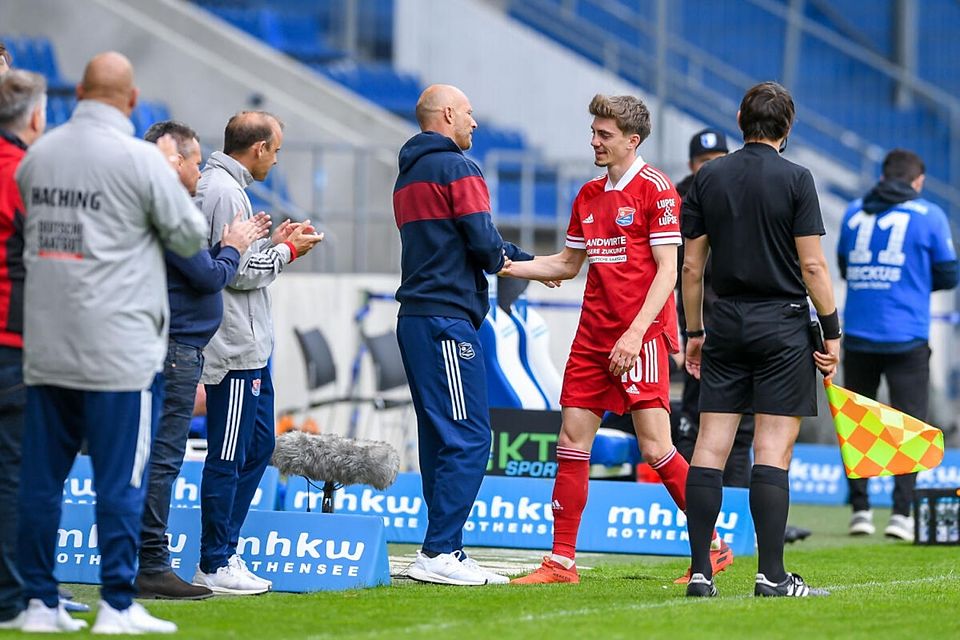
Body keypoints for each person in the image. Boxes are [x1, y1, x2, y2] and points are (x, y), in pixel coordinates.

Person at [504, 94, 732, 585]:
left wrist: (636, 333)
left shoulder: (657, 190)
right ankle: (561, 562)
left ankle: (713, 546)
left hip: (639, 338)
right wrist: (507, 265)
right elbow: (567, 264)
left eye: (604, 134)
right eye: (593, 132)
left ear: (632, 140)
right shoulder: (588, 194)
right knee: (571, 441)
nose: (594, 141)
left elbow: (669, 271)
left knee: (656, 448)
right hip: (593, 337)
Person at [14, 52, 207, 633]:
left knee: (41, 481)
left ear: (77, 92)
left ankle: (38, 601)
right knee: (121, 479)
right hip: (119, 351)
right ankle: (117, 604)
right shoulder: (141, 161)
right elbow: (190, 234)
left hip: (47, 343)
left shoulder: (37, 155)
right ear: (132, 100)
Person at [681, 81, 839, 598]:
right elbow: (813, 266)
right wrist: (832, 331)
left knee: (709, 447)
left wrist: (695, 331)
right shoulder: (797, 178)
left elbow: (691, 267)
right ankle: (771, 576)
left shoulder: (708, 177)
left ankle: (700, 572)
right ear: (787, 127)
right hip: (783, 325)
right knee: (772, 450)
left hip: (724, 321)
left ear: (739, 120)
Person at [393, 84, 531, 586]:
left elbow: (458, 240)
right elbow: (484, 245)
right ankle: (439, 551)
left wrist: (520, 258)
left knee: (439, 438)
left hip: (416, 318)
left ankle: (443, 546)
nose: (475, 122)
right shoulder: (459, 167)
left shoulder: (408, 173)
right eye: (469, 113)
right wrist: (526, 263)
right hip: (446, 320)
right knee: (471, 436)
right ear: (448, 114)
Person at [136, 120, 270, 600]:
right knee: (164, 460)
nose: (201, 170)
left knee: (158, 458)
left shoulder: (159, 208)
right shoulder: (169, 210)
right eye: (195, 161)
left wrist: (226, 251)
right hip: (176, 350)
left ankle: (151, 561)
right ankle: (159, 562)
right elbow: (211, 277)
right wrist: (234, 248)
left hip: (174, 347)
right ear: (175, 162)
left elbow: (200, 268)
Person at [193, 111, 324, 595]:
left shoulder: (226, 186)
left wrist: (275, 244)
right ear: (260, 148)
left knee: (258, 447)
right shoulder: (224, 191)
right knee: (228, 455)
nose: (277, 159)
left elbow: (239, 259)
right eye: (277, 150)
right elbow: (236, 272)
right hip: (233, 349)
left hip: (248, 348)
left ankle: (225, 549)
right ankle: (214, 560)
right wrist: (288, 253)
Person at [837, 149, 958, 541]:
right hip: (907, 336)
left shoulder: (854, 212)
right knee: (911, 426)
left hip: (859, 333)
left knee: (857, 424)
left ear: (883, 177)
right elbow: (949, 273)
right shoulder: (930, 215)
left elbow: (844, 267)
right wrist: (913, 280)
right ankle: (901, 514)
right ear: (918, 181)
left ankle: (860, 510)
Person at [0, 69, 46, 631]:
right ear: (35, 117)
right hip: (12, 343)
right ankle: (13, 598)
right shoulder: (24, 175)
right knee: (14, 475)